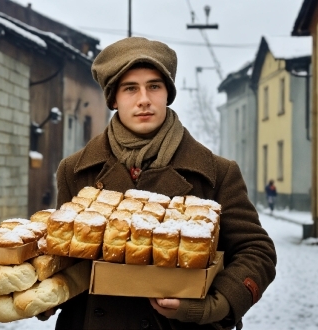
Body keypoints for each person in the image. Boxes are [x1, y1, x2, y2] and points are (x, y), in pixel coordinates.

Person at [48, 37, 276, 330]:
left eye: (154, 86)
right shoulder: (75, 171)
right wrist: (47, 295)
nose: (144, 99)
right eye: (130, 88)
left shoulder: (217, 173)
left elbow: (257, 250)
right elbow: (65, 254)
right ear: (113, 99)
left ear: (167, 93)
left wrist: (213, 306)